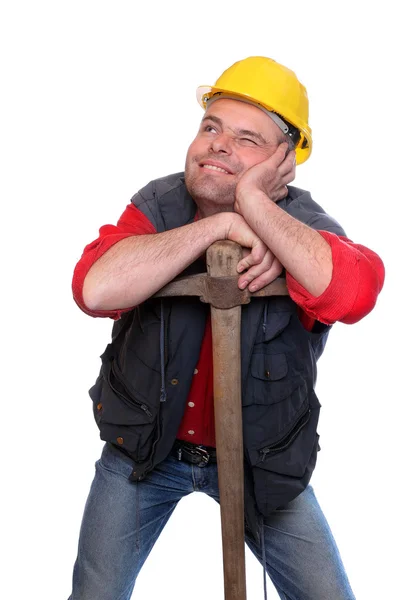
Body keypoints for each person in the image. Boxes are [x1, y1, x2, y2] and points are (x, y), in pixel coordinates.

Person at [69, 56, 385, 600]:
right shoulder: (158, 204)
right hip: (143, 452)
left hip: (262, 463)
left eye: (246, 139)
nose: (218, 143)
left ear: (284, 161)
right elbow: (94, 289)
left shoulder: (305, 228)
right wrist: (220, 225)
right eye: (210, 127)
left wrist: (257, 206)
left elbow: (353, 293)